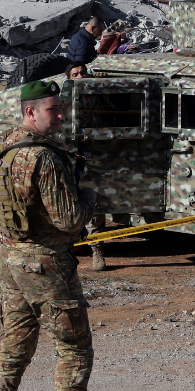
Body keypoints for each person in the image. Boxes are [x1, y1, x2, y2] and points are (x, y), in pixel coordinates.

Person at [0, 80, 113, 391]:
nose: (61, 116)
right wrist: (88, 193)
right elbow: (70, 219)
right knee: (74, 347)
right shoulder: (45, 158)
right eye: (53, 110)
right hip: (46, 263)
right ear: (30, 112)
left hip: (9, 258)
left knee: (13, 347)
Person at [63, 61, 107, 272]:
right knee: (67, 203)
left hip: (92, 156)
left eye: (83, 73)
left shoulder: (97, 98)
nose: (80, 77)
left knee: (94, 207)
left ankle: (97, 249)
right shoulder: (63, 101)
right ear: (69, 78)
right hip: (69, 157)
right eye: (75, 74)